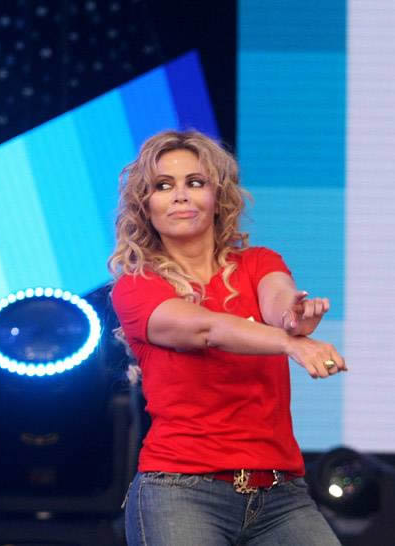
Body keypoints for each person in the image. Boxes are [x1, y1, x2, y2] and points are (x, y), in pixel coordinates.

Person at [108, 129, 344, 545]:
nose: (180, 196)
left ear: (218, 197)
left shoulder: (259, 262)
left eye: (195, 182)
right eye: (164, 186)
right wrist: (289, 342)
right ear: (145, 206)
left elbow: (279, 300)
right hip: (181, 491)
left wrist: (293, 320)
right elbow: (207, 329)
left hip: (281, 494)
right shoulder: (137, 286)